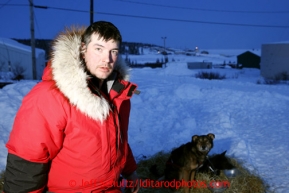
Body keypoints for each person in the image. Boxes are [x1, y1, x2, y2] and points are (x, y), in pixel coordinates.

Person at [4, 21, 140, 193]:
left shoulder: (116, 93)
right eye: (99, 49)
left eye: (113, 51)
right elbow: (27, 162)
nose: (107, 59)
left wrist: (130, 171)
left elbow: (118, 140)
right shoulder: (48, 97)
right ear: (83, 49)